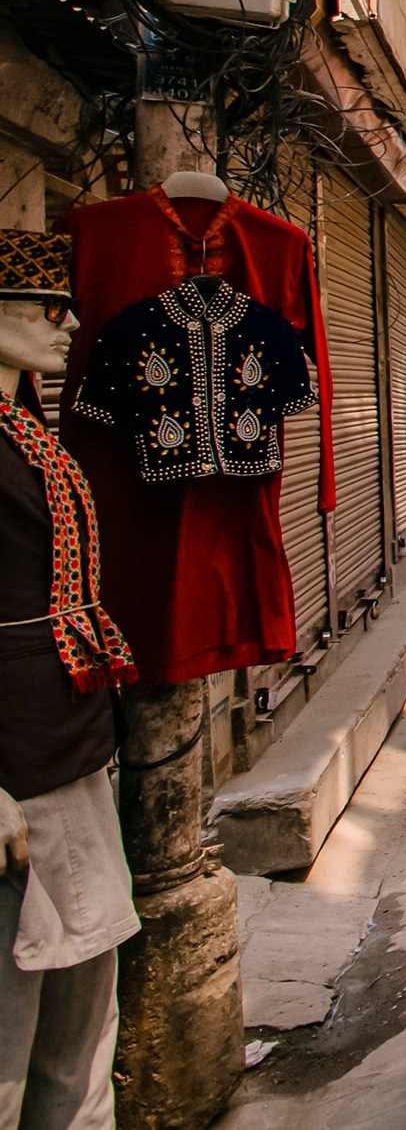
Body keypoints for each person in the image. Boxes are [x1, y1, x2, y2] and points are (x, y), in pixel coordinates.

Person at [0, 234, 141, 1130]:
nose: (70, 326)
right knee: (10, 1058)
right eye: (48, 309)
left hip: (74, 752)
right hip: (16, 777)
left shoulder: (27, 432)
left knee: (81, 1038)